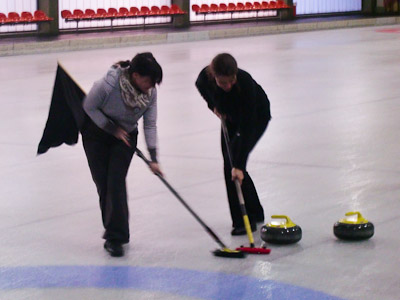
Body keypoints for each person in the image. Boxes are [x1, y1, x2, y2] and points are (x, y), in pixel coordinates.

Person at [82, 52, 163, 257]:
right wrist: (112, 129)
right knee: (103, 184)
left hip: (126, 137)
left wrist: (154, 158)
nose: (151, 86)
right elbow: (89, 106)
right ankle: (113, 229)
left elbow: (150, 125)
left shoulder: (150, 94)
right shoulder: (108, 85)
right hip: (96, 134)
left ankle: (115, 237)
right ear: (135, 76)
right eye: (149, 81)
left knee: (115, 181)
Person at [195, 53, 271, 236]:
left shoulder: (245, 83)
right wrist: (213, 106)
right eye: (223, 83)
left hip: (256, 117)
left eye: (231, 81)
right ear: (214, 77)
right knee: (229, 164)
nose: (228, 86)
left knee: (235, 164)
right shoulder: (204, 80)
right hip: (229, 118)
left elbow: (247, 127)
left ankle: (243, 221)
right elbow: (203, 90)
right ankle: (252, 213)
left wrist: (239, 164)